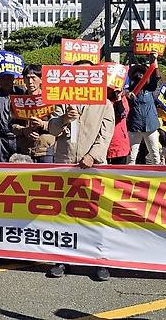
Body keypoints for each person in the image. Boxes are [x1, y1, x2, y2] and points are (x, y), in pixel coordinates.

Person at [46, 59, 115, 281]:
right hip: (66, 161)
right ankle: (63, 258)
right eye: (76, 74)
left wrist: (92, 155)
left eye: (85, 74)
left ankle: (99, 261)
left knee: (95, 212)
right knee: (66, 212)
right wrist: (65, 117)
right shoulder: (63, 101)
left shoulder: (105, 103)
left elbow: (106, 134)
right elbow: (52, 129)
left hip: (93, 165)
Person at [11, 64, 56, 163]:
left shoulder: (50, 99)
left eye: (33, 78)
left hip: (45, 150)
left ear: (41, 79)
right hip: (24, 151)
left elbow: (59, 125)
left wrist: (43, 124)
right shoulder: (19, 101)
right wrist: (24, 130)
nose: (30, 82)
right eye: (27, 78)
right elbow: (12, 125)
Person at [126, 53, 161, 165]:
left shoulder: (150, 89)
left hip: (151, 125)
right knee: (132, 155)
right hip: (135, 126)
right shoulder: (129, 92)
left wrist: (154, 61)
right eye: (137, 73)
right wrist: (127, 95)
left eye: (143, 73)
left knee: (155, 153)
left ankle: (157, 176)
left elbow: (156, 77)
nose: (140, 75)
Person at [106, 87, 130, 164]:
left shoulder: (122, 99)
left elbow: (122, 114)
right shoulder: (101, 100)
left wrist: (118, 97)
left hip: (118, 143)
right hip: (103, 143)